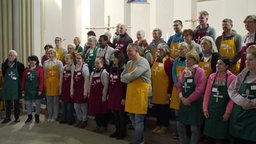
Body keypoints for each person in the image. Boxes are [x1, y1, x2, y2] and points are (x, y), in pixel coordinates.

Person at [121, 43, 151, 144]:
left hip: (142, 94)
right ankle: (141, 139)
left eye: (130, 51)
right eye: (127, 51)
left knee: (138, 120)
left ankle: (137, 141)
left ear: (137, 51)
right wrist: (129, 77)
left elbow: (135, 74)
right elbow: (122, 77)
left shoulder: (143, 61)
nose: (128, 53)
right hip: (132, 93)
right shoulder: (129, 63)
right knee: (132, 118)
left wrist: (129, 77)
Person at [203, 56, 236, 144]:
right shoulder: (212, 76)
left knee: (220, 139)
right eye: (217, 63)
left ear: (227, 66)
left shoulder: (232, 78)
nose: (218, 65)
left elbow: (232, 98)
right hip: (211, 111)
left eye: (221, 64)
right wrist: (205, 109)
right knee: (209, 139)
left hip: (223, 112)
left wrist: (228, 112)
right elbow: (207, 94)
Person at [177, 52, 207, 144]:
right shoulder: (185, 71)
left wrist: (188, 100)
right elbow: (179, 85)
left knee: (194, 128)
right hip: (184, 101)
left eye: (189, 59)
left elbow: (200, 90)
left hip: (195, 103)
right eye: (186, 58)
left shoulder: (200, 72)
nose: (187, 60)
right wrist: (182, 98)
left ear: (195, 60)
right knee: (180, 124)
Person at [228, 46, 256, 144]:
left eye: (251, 60)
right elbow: (231, 90)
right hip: (239, 116)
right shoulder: (244, 73)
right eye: (246, 59)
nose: (247, 62)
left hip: (253, 120)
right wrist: (242, 101)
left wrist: (252, 103)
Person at [151, 43, 173, 135]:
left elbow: (171, 78)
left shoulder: (169, 62)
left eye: (161, 50)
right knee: (157, 109)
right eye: (158, 49)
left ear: (166, 51)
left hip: (164, 90)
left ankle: (165, 126)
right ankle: (158, 125)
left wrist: (169, 92)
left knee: (164, 110)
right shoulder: (154, 60)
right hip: (156, 90)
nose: (159, 51)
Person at [1, 50, 25, 123]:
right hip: (7, 86)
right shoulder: (4, 64)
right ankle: (7, 117)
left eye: (12, 55)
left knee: (16, 103)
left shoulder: (20, 65)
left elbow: (22, 76)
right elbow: (4, 74)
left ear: (15, 56)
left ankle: (17, 117)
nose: (10, 56)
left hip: (16, 87)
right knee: (7, 102)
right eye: (9, 55)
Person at [108, 50, 127, 139]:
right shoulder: (112, 67)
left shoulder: (123, 68)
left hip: (120, 95)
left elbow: (124, 85)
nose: (113, 59)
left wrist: (124, 98)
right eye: (112, 57)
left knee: (120, 114)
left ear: (119, 58)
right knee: (115, 114)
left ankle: (122, 132)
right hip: (113, 93)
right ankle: (117, 130)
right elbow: (110, 82)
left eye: (115, 57)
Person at [89, 57, 109, 133]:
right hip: (94, 95)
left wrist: (104, 96)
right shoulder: (93, 72)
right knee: (96, 111)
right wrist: (89, 93)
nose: (96, 65)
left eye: (98, 63)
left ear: (102, 64)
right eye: (95, 63)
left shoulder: (104, 73)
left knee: (102, 112)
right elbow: (91, 83)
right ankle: (98, 125)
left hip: (101, 96)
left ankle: (103, 126)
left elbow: (106, 85)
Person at [21, 55, 44, 124]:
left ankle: (37, 116)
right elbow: (23, 80)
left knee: (37, 103)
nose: (31, 62)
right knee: (28, 104)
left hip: (36, 89)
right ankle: (29, 117)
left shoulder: (40, 69)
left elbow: (42, 80)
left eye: (33, 60)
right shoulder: (26, 69)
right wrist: (22, 89)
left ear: (36, 61)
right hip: (28, 89)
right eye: (30, 60)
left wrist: (40, 90)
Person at [43, 49, 63, 122]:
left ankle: (55, 116)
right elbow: (44, 73)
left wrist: (60, 84)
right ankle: (50, 115)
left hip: (56, 82)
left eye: (52, 53)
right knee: (49, 101)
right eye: (49, 53)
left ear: (55, 54)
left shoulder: (59, 63)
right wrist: (44, 83)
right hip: (48, 82)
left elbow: (61, 74)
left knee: (55, 101)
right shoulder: (45, 63)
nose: (50, 55)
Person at [71, 54, 90, 128]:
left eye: (79, 58)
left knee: (83, 107)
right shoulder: (75, 67)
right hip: (76, 90)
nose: (78, 60)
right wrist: (71, 91)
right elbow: (72, 80)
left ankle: (84, 120)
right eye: (77, 58)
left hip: (82, 90)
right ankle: (79, 119)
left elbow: (86, 81)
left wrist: (85, 92)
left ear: (83, 59)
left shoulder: (85, 68)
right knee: (76, 107)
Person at [171, 42, 190, 110]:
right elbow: (173, 72)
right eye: (179, 49)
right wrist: (176, 83)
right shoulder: (176, 60)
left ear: (187, 49)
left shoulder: (189, 60)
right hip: (176, 86)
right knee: (176, 107)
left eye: (181, 49)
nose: (179, 51)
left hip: (186, 86)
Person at [59, 54, 75, 125]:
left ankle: (70, 119)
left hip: (70, 88)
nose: (66, 60)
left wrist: (71, 90)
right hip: (64, 88)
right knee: (64, 104)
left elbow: (72, 80)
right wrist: (60, 89)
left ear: (72, 60)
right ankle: (64, 118)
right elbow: (61, 79)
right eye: (65, 58)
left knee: (69, 106)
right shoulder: (64, 67)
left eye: (68, 59)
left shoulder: (73, 67)